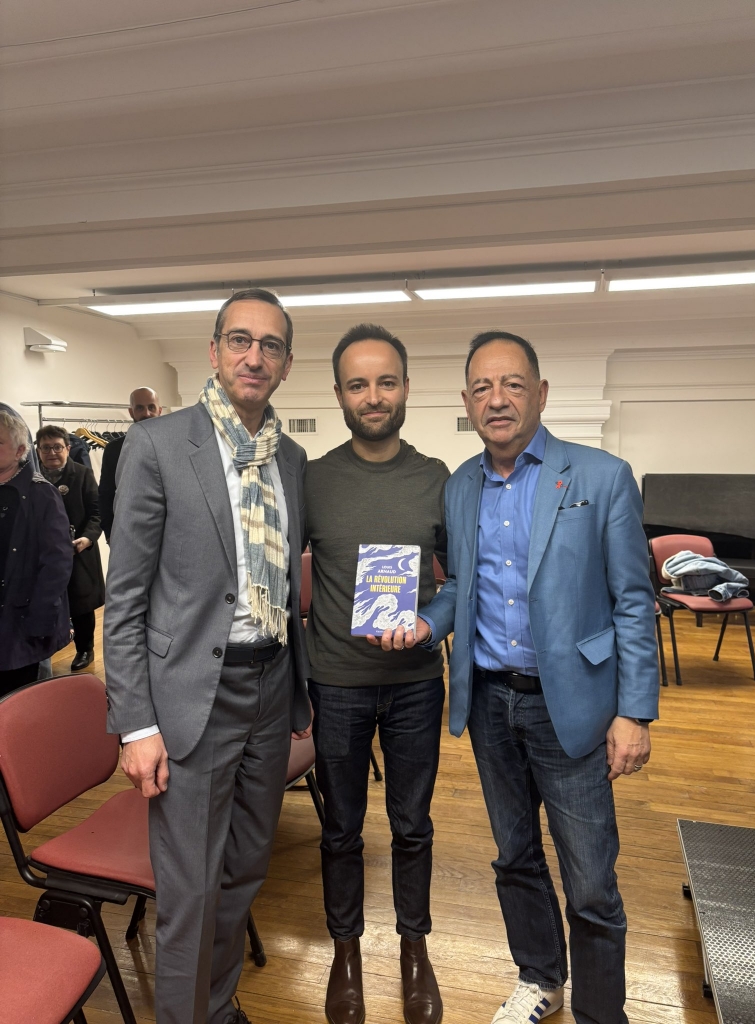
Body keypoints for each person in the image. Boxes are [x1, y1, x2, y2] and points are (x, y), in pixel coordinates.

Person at [376, 332, 659, 1024]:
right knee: (514, 856)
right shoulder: (460, 486)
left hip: (573, 707)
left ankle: (602, 1012)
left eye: (511, 384)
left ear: (541, 394)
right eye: (482, 387)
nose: (496, 399)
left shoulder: (601, 477)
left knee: (590, 881)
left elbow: (632, 600)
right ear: (467, 401)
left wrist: (634, 712)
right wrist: (425, 624)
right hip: (489, 703)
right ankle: (540, 978)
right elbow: (459, 587)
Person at [103, 288, 311, 1024]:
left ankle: (216, 1008)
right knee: (190, 893)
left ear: (286, 364)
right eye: (241, 340)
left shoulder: (291, 458)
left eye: (271, 345)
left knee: (245, 872)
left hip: (270, 689)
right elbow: (125, 599)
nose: (255, 356)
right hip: (192, 697)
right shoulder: (159, 445)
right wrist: (136, 725)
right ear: (215, 350)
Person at [304, 324, 449, 1024]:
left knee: (412, 826)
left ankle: (415, 949)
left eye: (385, 382)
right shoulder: (312, 479)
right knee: (341, 830)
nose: (373, 396)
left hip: (417, 682)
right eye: (357, 384)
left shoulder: (437, 478)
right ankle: (346, 952)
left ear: (406, 388)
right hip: (336, 684)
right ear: (339, 394)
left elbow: (461, 582)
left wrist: (432, 622)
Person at [0, 411, 72, 697]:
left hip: (21, 621)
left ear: (20, 450)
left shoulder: (41, 493)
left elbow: (57, 563)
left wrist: (40, 620)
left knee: (19, 701)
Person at [37, 425, 105, 672]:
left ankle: (85, 649)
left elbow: (97, 513)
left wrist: (87, 538)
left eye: (57, 447)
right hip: (43, 554)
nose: (52, 453)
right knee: (47, 600)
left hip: (78, 551)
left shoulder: (83, 474)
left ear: (67, 448)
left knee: (80, 603)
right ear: (38, 450)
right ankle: (48, 648)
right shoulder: (32, 477)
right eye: (46, 448)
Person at [98, 387, 162, 542]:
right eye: (140, 408)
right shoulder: (114, 450)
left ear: (159, 411)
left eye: (151, 407)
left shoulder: (174, 447)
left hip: (166, 534)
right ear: (131, 412)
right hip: (126, 533)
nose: (147, 413)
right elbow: (106, 494)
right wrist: (109, 533)